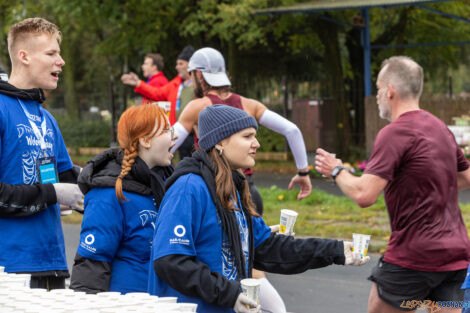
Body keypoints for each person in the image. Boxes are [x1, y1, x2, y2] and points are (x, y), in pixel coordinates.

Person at [148, 104, 369, 313]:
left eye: (255, 135)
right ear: (220, 143)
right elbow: (170, 261)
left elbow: (270, 249)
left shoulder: (232, 187)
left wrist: (335, 250)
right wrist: (230, 294)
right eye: (247, 136)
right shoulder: (188, 188)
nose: (257, 144)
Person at [315, 56, 470, 313]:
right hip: (455, 256)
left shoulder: (395, 133)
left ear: (390, 91)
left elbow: (364, 194)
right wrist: (423, 180)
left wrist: (336, 169)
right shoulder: (440, 128)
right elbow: (465, 178)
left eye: (377, 89)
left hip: (414, 256)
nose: (377, 96)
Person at [0, 17, 84, 289]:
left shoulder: (47, 118)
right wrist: (52, 194)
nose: (61, 61)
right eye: (51, 53)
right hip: (10, 268)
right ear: (24, 56)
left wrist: (113, 176)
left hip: (53, 262)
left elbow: (66, 175)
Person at [70, 104, 175, 294]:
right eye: (168, 130)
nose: (174, 136)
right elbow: (92, 264)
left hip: (162, 301)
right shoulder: (108, 194)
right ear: (145, 140)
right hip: (127, 303)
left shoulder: (166, 185)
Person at [121, 45, 195, 159]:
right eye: (177, 64)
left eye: (181, 64)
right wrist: (138, 84)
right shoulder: (176, 83)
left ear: (190, 65)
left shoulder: (199, 85)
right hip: (178, 131)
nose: (177, 67)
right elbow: (157, 93)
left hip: (192, 133)